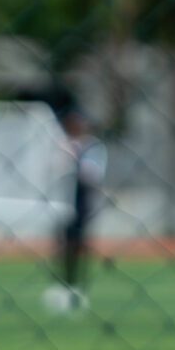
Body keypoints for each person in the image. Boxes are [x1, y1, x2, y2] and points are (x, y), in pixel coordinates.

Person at [45, 107, 107, 314]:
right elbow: (53, 168)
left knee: (79, 243)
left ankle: (76, 285)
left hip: (81, 199)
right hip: (61, 198)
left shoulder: (93, 147)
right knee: (61, 243)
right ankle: (62, 283)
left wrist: (76, 160)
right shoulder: (61, 144)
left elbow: (92, 174)